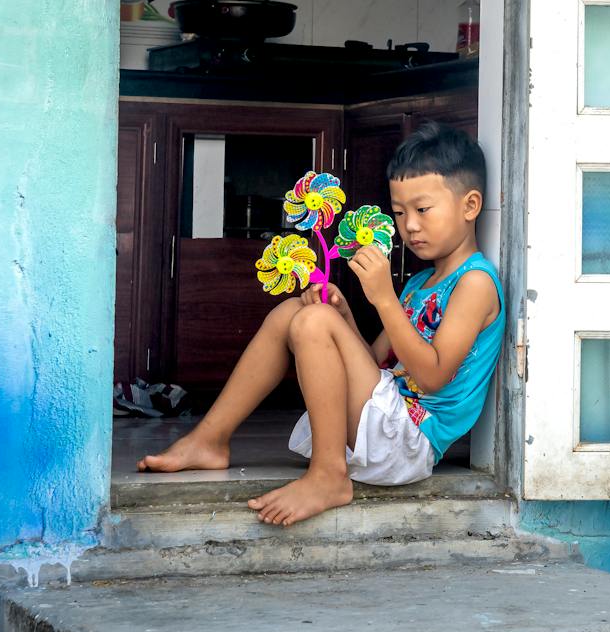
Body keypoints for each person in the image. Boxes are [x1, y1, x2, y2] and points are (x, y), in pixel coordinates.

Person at [137, 123, 505, 527]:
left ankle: (329, 475)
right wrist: (345, 316)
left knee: (313, 320)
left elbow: (433, 376)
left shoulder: (475, 282)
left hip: (412, 440)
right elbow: (374, 363)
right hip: (383, 417)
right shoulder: (420, 283)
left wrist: (382, 299)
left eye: (422, 210)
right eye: (399, 213)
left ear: (470, 206)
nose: (410, 226)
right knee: (293, 312)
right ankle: (210, 438)